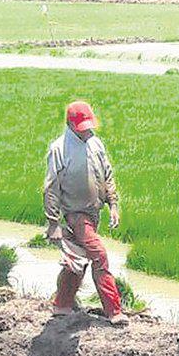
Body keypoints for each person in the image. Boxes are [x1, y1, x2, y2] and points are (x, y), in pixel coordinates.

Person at [44, 101, 126, 325]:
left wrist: (113, 204)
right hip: (75, 213)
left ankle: (62, 305)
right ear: (70, 125)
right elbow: (51, 187)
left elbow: (107, 175)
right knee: (99, 256)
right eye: (82, 127)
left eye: (89, 126)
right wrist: (53, 222)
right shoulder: (59, 149)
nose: (87, 130)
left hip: (94, 211)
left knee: (77, 261)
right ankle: (114, 310)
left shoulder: (96, 144)